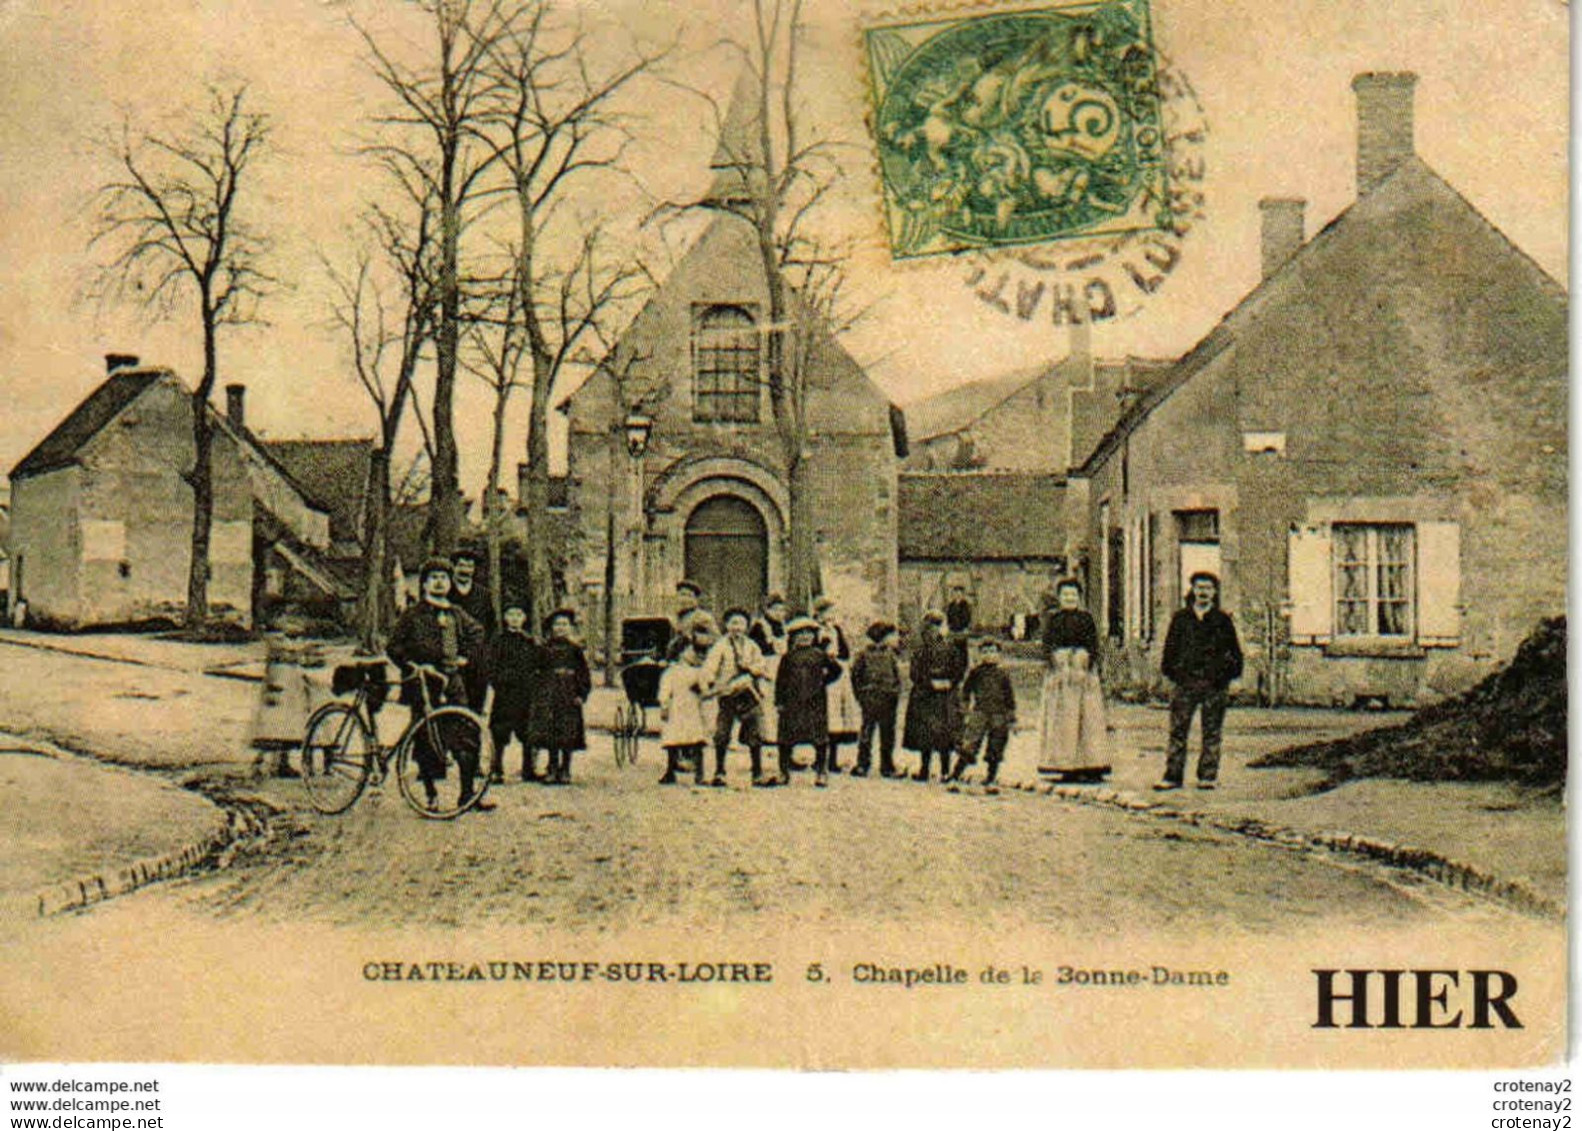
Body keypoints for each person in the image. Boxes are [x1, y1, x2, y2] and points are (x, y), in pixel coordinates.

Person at [386, 557, 491, 812]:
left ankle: (467, 794)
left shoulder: (456, 613)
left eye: (444, 578)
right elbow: (393, 648)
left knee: (466, 732)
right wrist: (413, 666)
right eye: (434, 578)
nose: (439, 583)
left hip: (452, 682)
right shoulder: (413, 615)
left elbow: (478, 632)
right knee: (426, 738)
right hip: (423, 683)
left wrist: (464, 655)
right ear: (424, 584)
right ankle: (430, 795)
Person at [1157, 572, 1244, 791]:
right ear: (1192, 590)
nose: (1203, 592)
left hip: (1214, 685)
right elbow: (1169, 650)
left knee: (1212, 732)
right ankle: (1172, 776)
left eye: (1208, 588)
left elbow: (1235, 653)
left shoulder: (1222, 620)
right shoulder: (1181, 619)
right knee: (1178, 730)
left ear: (1214, 592)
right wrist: (1173, 675)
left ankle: (1207, 776)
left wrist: (1229, 678)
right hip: (1185, 684)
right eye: (1199, 587)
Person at [1036, 579, 1110, 781]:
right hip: (1062, 675)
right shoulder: (1054, 619)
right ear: (1059, 598)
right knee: (1063, 719)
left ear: (1079, 598)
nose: (1070, 598)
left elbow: (1093, 643)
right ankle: (1065, 764)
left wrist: (1087, 660)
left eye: (1073, 595)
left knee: (1087, 719)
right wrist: (1055, 659)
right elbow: (1047, 644)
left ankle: (1090, 764)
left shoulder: (1086, 619)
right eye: (1065, 595)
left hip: (1082, 674)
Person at [701, 607, 770, 787]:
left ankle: (757, 772)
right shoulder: (721, 646)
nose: (737, 627)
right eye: (733, 623)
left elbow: (762, 665)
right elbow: (710, 666)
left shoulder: (752, 646)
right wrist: (710, 681)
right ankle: (720, 772)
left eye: (740, 623)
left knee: (755, 731)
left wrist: (752, 668)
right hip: (728, 694)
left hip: (748, 693)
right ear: (726, 625)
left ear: (746, 626)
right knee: (722, 732)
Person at [774, 616, 842, 787]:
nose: (805, 637)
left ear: (814, 637)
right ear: (793, 637)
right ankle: (783, 771)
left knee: (819, 738)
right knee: (786, 738)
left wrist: (823, 681)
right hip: (792, 703)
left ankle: (821, 772)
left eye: (808, 634)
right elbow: (780, 681)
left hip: (815, 703)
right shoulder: (788, 657)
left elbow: (836, 671)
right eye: (800, 634)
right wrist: (779, 701)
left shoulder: (820, 655)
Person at [902, 610, 966, 782]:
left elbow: (959, 669)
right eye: (933, 626)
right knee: (925, 735)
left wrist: (950, 682)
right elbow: (915, 673)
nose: (936, 630)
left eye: (939, 626)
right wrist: (930, 683)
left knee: (945, 735)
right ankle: (925, 769)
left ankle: (945, 770)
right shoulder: (920, 649)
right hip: (925, 696)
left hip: (944, 697)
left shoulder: (951, 648)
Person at [487, 598, 542, 783]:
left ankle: (528, 769)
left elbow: (537, 665)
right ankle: (496, 769)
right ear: (504, 617)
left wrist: (532, 683)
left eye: (519, 614)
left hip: (525, 694)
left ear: (525, 618)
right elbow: (491, 665)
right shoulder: (498, 641)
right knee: (499, 732)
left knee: (527, 731)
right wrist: (498, 681)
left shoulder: (530, 642)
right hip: (504, 694)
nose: (515, 618)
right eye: (511, 614)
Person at [947, 639, 1016, 787]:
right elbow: (966, 691)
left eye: (992, 651)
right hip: (980, 712)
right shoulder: (976, 673)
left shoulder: (1003, 674)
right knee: (969, 745)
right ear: (980, 654)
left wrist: (1011, 717)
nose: (989, 655)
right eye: (985, 652)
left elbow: (1009, 697)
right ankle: (955, 775)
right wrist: (964, 710)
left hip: (999, 715)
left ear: (999, 654)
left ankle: (991, 778)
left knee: (996, 746)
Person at [658, 615, 716, 786]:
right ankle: (670, 771)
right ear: (680, 653)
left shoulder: (697, 671)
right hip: (676, 709)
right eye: (689, 651)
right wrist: (664, 705)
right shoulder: (672, 672)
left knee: (697, 740)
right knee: (673, 741)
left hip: (693, 710)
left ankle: (700, 774)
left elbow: (705, 688)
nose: (694, 654)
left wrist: (705, 688)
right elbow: (665, 690)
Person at [537, 608, 592, 785]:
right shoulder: (545, 648)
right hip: (551, 693)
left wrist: (581, 694)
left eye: (564, 624)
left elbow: (583, 674)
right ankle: (552, 767)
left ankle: (566, 768)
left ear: (570, 628)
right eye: (557, 624)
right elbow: (537, 672)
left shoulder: (575, 650)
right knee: (552, 731)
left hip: (569, 693)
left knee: (568, 732)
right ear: (551, 628)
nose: (560, 628)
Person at [812, 595, 859, 772]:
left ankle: (833, 759)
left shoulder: (835, 630)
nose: (830, 616)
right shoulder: (815, 630)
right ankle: (821, 760)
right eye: (827, 612)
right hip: (824, 677)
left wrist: (838, 657)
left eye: (832, 612)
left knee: (839, 716)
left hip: (839, 675)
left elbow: (845, 652)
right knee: (828, 716)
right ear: (819, 614)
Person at [851, 621, 902, 778]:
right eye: (892, 635)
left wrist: (895, 692)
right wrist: (861, 695)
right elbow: (856, 676)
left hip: (888, 699)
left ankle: (887, 765)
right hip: (870, 698)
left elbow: (897, 677)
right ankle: (862, 764)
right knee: (867, 732)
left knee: (888, 734)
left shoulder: (891, 655)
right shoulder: (864, 655)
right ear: (883, 637)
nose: (896, 638)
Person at [448, 550, 495, 710]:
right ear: (454, 567)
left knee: (476, 705)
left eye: (469, 566)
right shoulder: (446, 593)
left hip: (476, 660)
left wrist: (483, 655)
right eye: (461, 565)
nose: (465, 570)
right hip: (451, 657)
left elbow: (490, 627)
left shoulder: (483, 595)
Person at [665, 579, 708, 662]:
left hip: (698, 660)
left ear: (695, 600)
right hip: (676, 661)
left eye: (689, 596)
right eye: (682, 595)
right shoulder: (676, 619)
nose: (685, 599)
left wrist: (695, 638)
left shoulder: (703, 617)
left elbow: (716, 639)